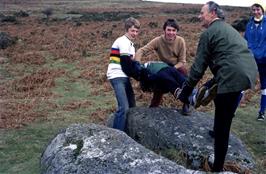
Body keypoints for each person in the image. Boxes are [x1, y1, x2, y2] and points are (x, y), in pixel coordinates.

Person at [178, 1, 257, 172]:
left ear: (213, 13)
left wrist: (185, 92)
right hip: (248, 73)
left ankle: (218, 168)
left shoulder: (209, 33)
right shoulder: (228, 29)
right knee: (222, 104)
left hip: (232, 76)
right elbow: (228, 58)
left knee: (223, 122)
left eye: (202, 12)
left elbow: (198, 67)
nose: (199, 16)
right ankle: (216, 130)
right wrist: (211, 82)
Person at [135, 19, 188, 112]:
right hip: (163, 66)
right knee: (160, 81)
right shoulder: (158, 40)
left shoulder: (181, 41)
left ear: (176, 31)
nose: (171, 33)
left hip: (177, 66)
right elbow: (141, 50)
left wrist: (173, 69)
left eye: (173, 30)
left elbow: (182, 61)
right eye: (169, 30)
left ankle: (186, 103)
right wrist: (137, 65)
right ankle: (154, 106)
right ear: (164, 30)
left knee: (184, 75)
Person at [106, 17, 140, 131]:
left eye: (136, 31)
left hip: (125, 76)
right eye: (132, 31)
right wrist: (138, 76)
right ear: (127, 30)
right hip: (117, 76)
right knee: (124, 108)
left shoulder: (131, 45)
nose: (135, 33)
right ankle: (117, 135)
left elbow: (131, 65)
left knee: (132, 106)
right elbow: (126, 64)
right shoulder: (122, 41)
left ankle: (129, 132)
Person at [244, 2, 266, 121]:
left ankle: (262, 112)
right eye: (254, 10)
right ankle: (233, 110)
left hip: (264, 60)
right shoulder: (249, 24)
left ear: (262, 10)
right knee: (243, 83)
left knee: (264, 86)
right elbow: (246, 40)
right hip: (251, 59)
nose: (256, 12)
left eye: (258, 9)